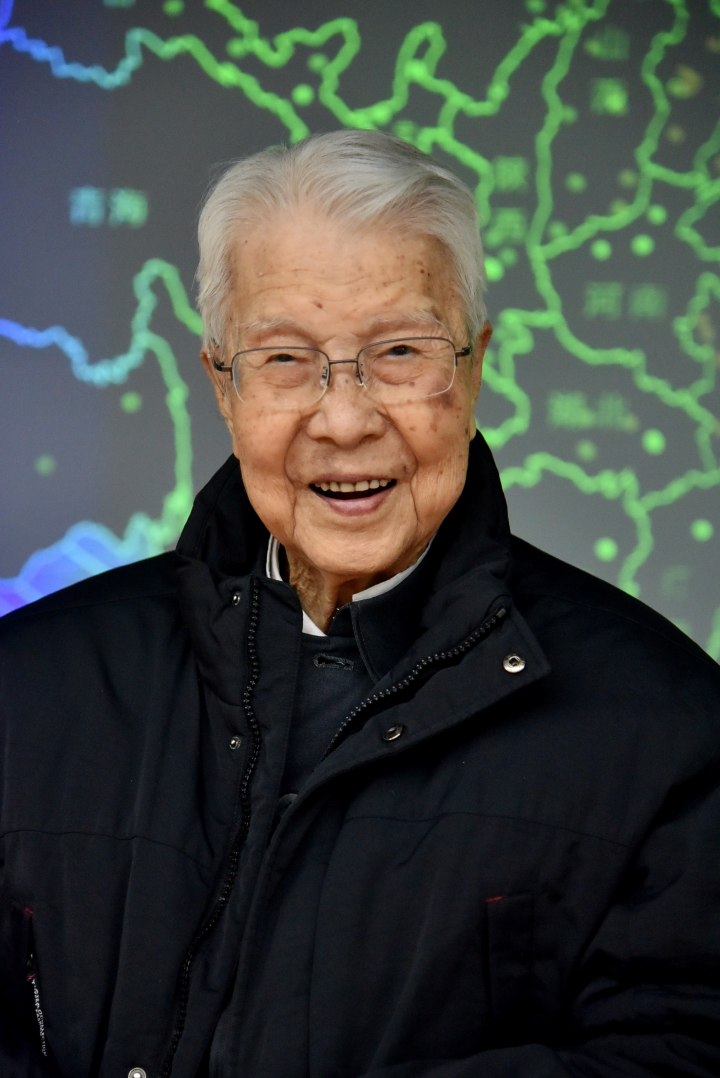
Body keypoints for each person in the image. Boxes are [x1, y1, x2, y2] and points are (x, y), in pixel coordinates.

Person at [0, 130, 719, 1078]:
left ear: (473, 367)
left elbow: (683, 1049)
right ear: (222, 383)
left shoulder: (665, 725)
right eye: (284, 359)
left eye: (400, 351)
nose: (344, 419)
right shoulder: (28, 686)